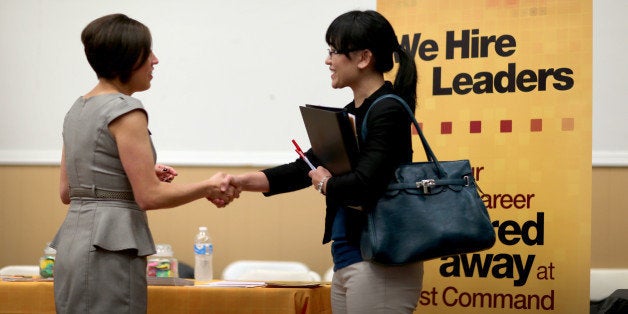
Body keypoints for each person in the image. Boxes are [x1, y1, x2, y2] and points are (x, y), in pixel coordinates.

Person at [232, 10, 423, 313]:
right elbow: (302, 169)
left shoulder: (389, 111)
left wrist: (325, 183)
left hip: (380, 261)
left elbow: (364, 186)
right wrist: (239, 182)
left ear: (363, 58)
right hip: (349, 256)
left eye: (334, 51)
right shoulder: (349, 113)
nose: (327, 60)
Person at [51, 13, 238, 313]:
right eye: (148, 52)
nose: (156, 60)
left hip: (73, 247)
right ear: (127, 57)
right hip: (109, 249)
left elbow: (67, 191)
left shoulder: (77, 109)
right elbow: (149, 196)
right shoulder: (126, 110)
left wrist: (129, 172)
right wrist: (208, 186)